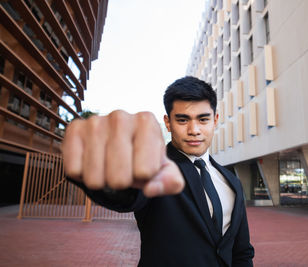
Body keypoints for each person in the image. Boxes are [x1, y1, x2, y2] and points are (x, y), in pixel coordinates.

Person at [63, 76, 254, 267]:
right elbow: (129, 193)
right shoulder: (155, 168)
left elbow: (242, 251)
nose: (194, 130)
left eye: (203, 119)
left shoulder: (232, 181)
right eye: (182, 120)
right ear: (168, 122)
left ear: (215, 120)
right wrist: (99, 159)